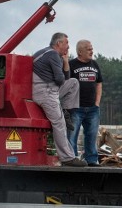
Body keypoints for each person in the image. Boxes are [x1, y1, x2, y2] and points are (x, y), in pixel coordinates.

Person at [32, 32, 87, 167]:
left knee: (73, 83)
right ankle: (67, 158)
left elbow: (65, 80)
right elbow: (59, 79)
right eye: (66, 43)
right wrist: (62, 69)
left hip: (49, 90)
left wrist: (66, 62)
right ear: (59, 43)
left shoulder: (45, 53)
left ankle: (65, 110)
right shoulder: (53, 55)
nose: (68, 47)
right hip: (45, 92)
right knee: (59, 123)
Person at [68, 40, 103, 166]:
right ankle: (71, 159)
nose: (91, 51)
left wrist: (97, 102)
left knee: (91, 135)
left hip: (92, 109)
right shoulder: (71, 65)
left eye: (92, 48)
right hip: (76, 108)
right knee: (72, 135)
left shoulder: (95, 64)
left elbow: (99, 83)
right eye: (88, 49)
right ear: (80, 51)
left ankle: (92, 160)